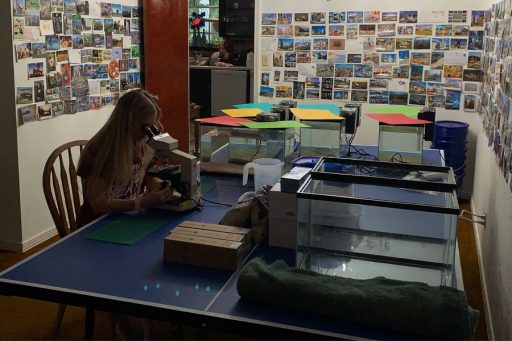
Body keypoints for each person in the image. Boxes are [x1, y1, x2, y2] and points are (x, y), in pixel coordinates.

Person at [77, 89, 173, 227]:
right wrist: (139, 202)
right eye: (145, 128)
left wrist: (159, 188)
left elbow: (145, 175)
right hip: (98, 224)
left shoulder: (142, 144)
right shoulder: (101, 151)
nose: (148, 134)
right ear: (128, 122)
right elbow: (98, 204)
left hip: (127, 218)